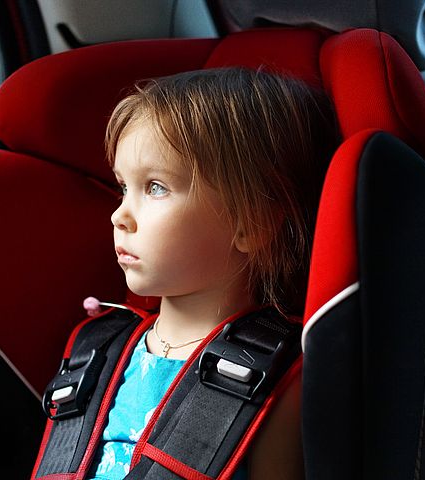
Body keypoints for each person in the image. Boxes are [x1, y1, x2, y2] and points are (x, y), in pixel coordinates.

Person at [86, 67, 338, 479]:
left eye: (155, 187)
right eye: (122, 187)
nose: (120, 215)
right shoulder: (100, 353)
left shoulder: (276, 381)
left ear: (251, 223)